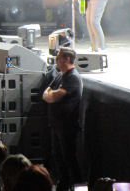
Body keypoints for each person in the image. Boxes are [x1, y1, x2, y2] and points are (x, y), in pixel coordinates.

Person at [42, 47, 83, 191]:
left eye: (59, 57)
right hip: (57, 126)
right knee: (59, 160)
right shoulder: (60, 75)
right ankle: (63, 186)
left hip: (67, 127)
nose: (56, 59)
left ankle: (79, 188)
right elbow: (46, 93)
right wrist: (49, 95)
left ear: (67, 59)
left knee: (70, 160)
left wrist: (49, 96)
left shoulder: (72, 77)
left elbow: (53, 96)